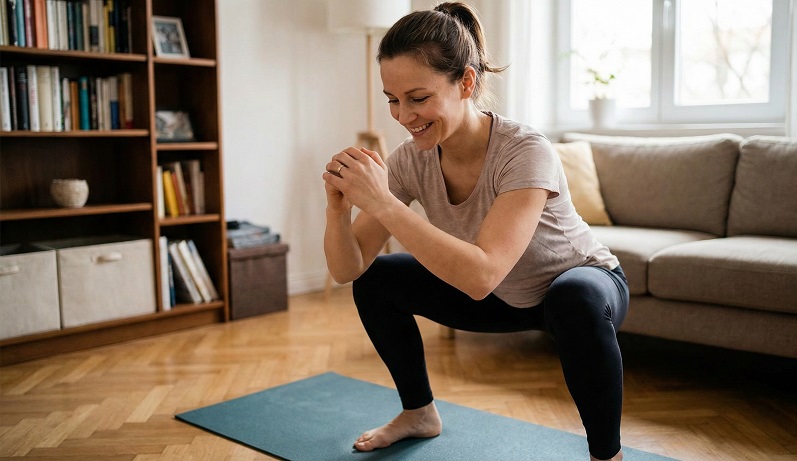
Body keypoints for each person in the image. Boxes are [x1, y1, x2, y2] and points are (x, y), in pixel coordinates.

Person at [321, 3, 629, 460]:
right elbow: (347, 271)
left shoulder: (525, 150)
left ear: (466, 83)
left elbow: (482, 274)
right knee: (377, 279)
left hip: (580, 287)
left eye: (418, 98)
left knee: (574, 298)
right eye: (392, 99)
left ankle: (608, 456)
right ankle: (418, 413)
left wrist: (383, 202)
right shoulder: (411, 159)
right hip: (502, 298)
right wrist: (336, 210)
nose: (403, 115)